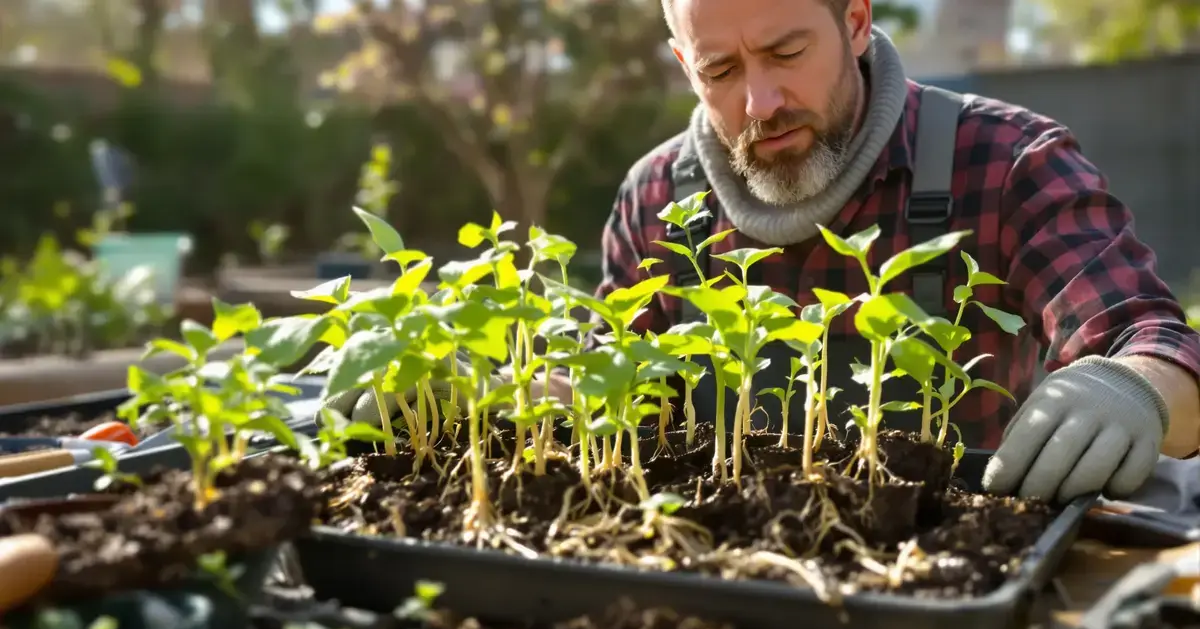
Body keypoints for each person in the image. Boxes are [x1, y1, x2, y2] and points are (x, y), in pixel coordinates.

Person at [326, 0, 1200, 505]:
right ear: (682, 62)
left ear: (855, 20)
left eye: (787, 51)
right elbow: (615, 404)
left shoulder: (1008, 163)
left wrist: (1133, 388)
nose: (760, 102)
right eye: (720, 71)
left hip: (949, 589)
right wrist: (465, 392)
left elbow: (1160, 345)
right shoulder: (656, 201)